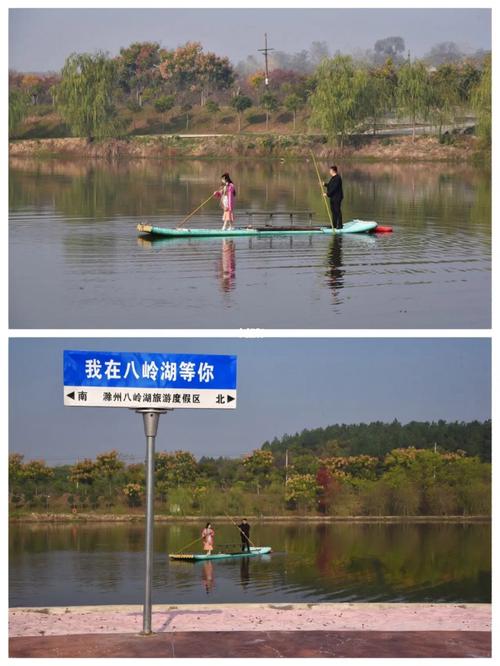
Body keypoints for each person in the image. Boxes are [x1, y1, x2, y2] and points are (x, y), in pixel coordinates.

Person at [323, 165, 343, 230]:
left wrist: (327, 194)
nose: (329, 171)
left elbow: (334, 188)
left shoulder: (338, 178)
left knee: (337, 211)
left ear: (333, 171)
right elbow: (330, 185)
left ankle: (340, 225)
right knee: (333, 211)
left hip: (337, 197)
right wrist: (324, 184)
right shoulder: (333, 178)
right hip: (332, 197)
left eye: (330, 170)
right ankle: (334, 225)